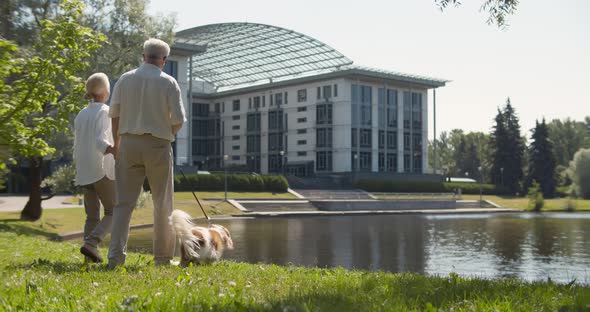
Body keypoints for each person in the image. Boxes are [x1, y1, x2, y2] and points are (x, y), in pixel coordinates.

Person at [107, 38, 186, 267]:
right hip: (158, 145)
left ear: (143, 56)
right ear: (164, 60)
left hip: (128, 144)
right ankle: (162, 258)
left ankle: (115, 257)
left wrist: (117, 142)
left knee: (123, 204)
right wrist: (167, 133)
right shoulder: (169, 82)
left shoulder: (125, 79)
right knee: (162, 203)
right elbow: (179, 120)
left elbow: (115, 115)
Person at [74, 72, 116, 263]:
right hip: (100, 170)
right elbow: (100, 140)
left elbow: (78, 143)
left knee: (92, 216)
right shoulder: (105, 112)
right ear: (106, 92)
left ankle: (88, 258)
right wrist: (114, 150)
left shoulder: (81, 114)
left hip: (84, 171)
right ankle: (92, 243)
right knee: (113, 211)